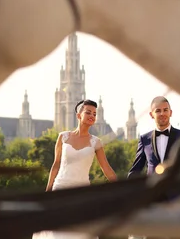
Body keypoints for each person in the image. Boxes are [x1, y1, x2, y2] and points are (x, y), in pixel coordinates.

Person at [33, 99, 118, 239]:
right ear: (78, 115)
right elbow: (56, 164)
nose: (92, 116)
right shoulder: (63, 137)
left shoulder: (96, 142)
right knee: (57, 232)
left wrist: (121, 188)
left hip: (82, 193)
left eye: (95, 114)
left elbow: (106, 168)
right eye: (88, 112)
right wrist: (48, 190)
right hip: (60, 189)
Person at [127, 96, 180, 178]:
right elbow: (135, 171)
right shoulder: (144, 139)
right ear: (151, 115)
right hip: (152, 190)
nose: (162, 113)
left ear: (170, 112)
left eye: (165, 110)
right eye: (158, 111)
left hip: (176, 189)